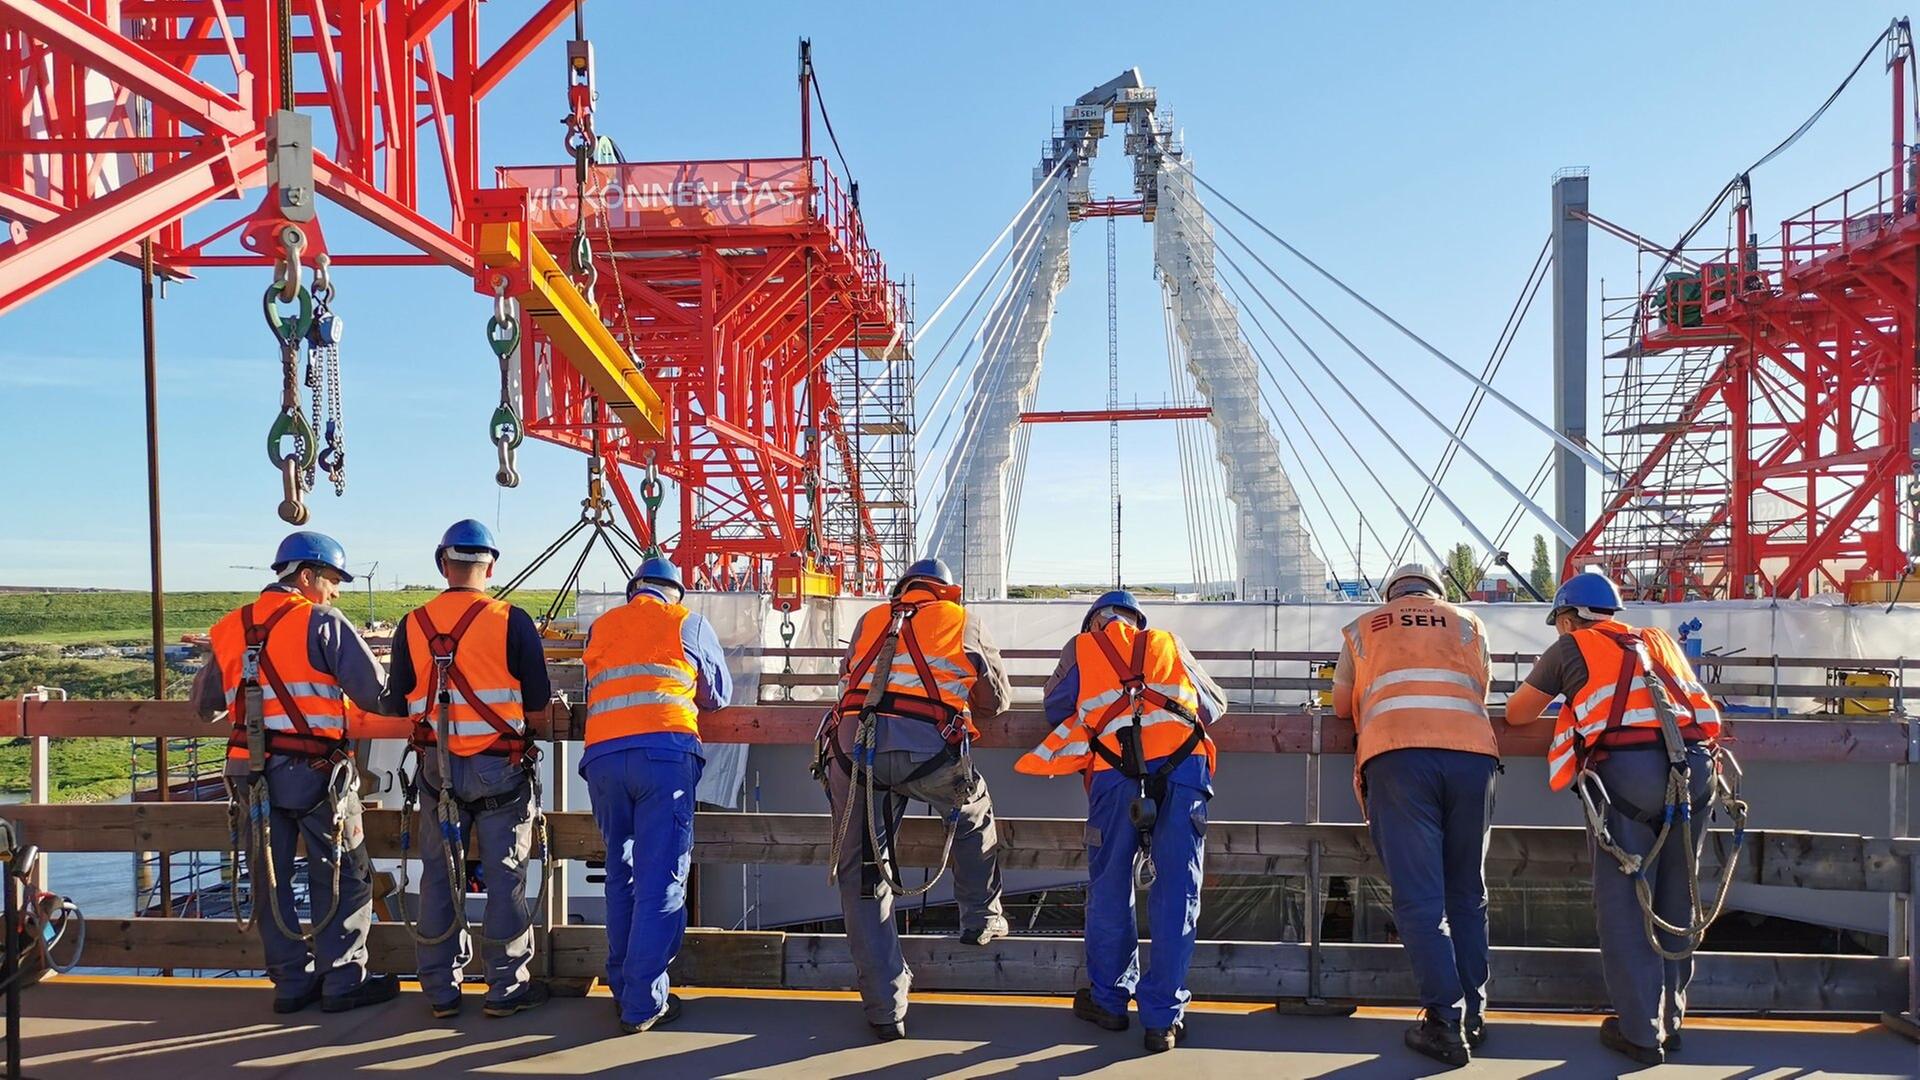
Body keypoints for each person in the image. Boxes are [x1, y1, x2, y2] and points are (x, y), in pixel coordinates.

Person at [1504, 571, 1726, 1067]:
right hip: (1696, 769)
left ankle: (1641, 1034)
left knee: (1626, 902)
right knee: (1677, 894)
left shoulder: (1569, 648)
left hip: (1630, 776)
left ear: (1567, 617)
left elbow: (1518, 715)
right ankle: (1671, 1021)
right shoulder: (1658, 642)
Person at [191, 530, 398, 1015]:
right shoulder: (322, 621)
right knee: (344, 870)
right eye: (332, 580)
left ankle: (289, 983)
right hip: (313, 771)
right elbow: (376, 694)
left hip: (248, 772)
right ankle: (342, 978)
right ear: (306, 576)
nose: (337, 590)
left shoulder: (230, 627)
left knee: (269, 874)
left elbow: (205, 708)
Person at [1017, 590, 1226, 1054]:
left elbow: (1056, 708)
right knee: (1178, 892)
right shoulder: (1168, 643)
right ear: (1137, 620)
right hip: (1183, 774)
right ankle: (1163, 1020)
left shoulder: (1081, 647)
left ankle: (1110, 1003)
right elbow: (1213, 706)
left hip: (1116, 775)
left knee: (1111, 886)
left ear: (1094, 621)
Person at [820, 557, 1010, 1041]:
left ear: (902, 590)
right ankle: (981, 916)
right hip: (931, 751)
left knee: (863, 873)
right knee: (971, 812)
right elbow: (995, 700)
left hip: (856, 754)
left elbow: (847, 683)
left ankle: (885, 1005)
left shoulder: (869, 621)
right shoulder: (962, 620)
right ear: (946, 591)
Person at [381, 520, 553, 1019]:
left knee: (439, 875)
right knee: (505, 877)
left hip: (437, 769)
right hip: (500, 767)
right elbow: (538, 701)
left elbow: (396, 702)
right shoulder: (511, 620)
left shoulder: (412, 624)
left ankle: (440, 990)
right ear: (491, 567)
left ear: (442, 565)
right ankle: (505, 987)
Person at [1332, 563, 1499, 1069]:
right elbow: (1482, 689)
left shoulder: (1365, 628)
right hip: (1473, 758)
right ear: (1436, 594)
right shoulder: (1468, 622)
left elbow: (1342, 705)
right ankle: (1473, 1014)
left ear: (1391, 596)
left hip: (1398, 757)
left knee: (1422, 901)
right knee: (1467, 892)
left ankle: (1445, 1025)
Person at [581, 556, 732, 1033]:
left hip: (603, 758)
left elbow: (594, 689)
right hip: (664, 756)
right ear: (674, 593)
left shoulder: (601, 627)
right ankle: (644, 1002)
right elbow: (718, 695)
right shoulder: (687, 622)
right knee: (662, 878)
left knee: (619, 872)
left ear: (633, 591)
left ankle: (624, 985)